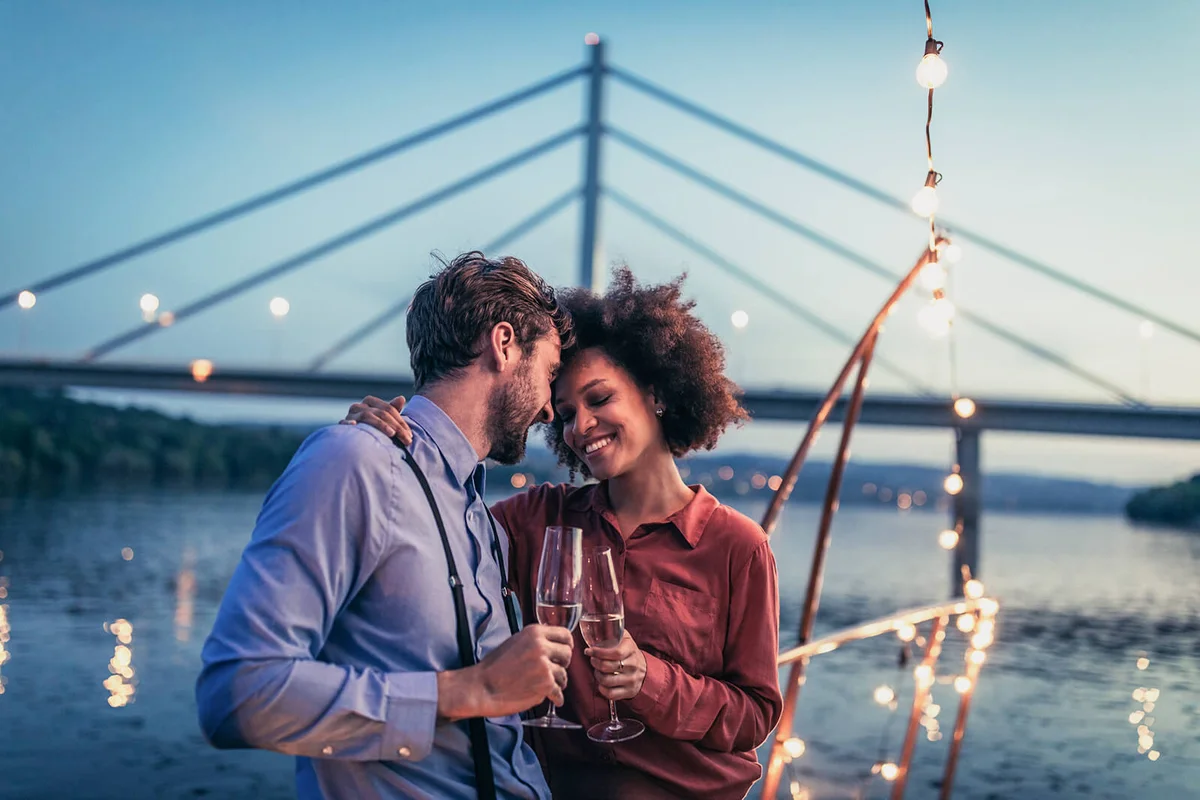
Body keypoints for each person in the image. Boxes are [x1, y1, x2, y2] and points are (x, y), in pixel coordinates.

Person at [345, 267, 783, 799]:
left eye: (599, 400)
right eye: (567, 414)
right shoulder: (536, 521)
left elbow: (755, 715)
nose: (580, 427)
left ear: (656, 393)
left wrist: (652, 681)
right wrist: (384, 434)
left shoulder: (737, 546)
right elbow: (433, 517)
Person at [196, 252, 578, 800]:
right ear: (503, 343)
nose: (549, 411)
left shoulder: (481, 519)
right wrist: (470, 690)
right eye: (549, 372)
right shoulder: (355, 463)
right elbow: (236, 695)